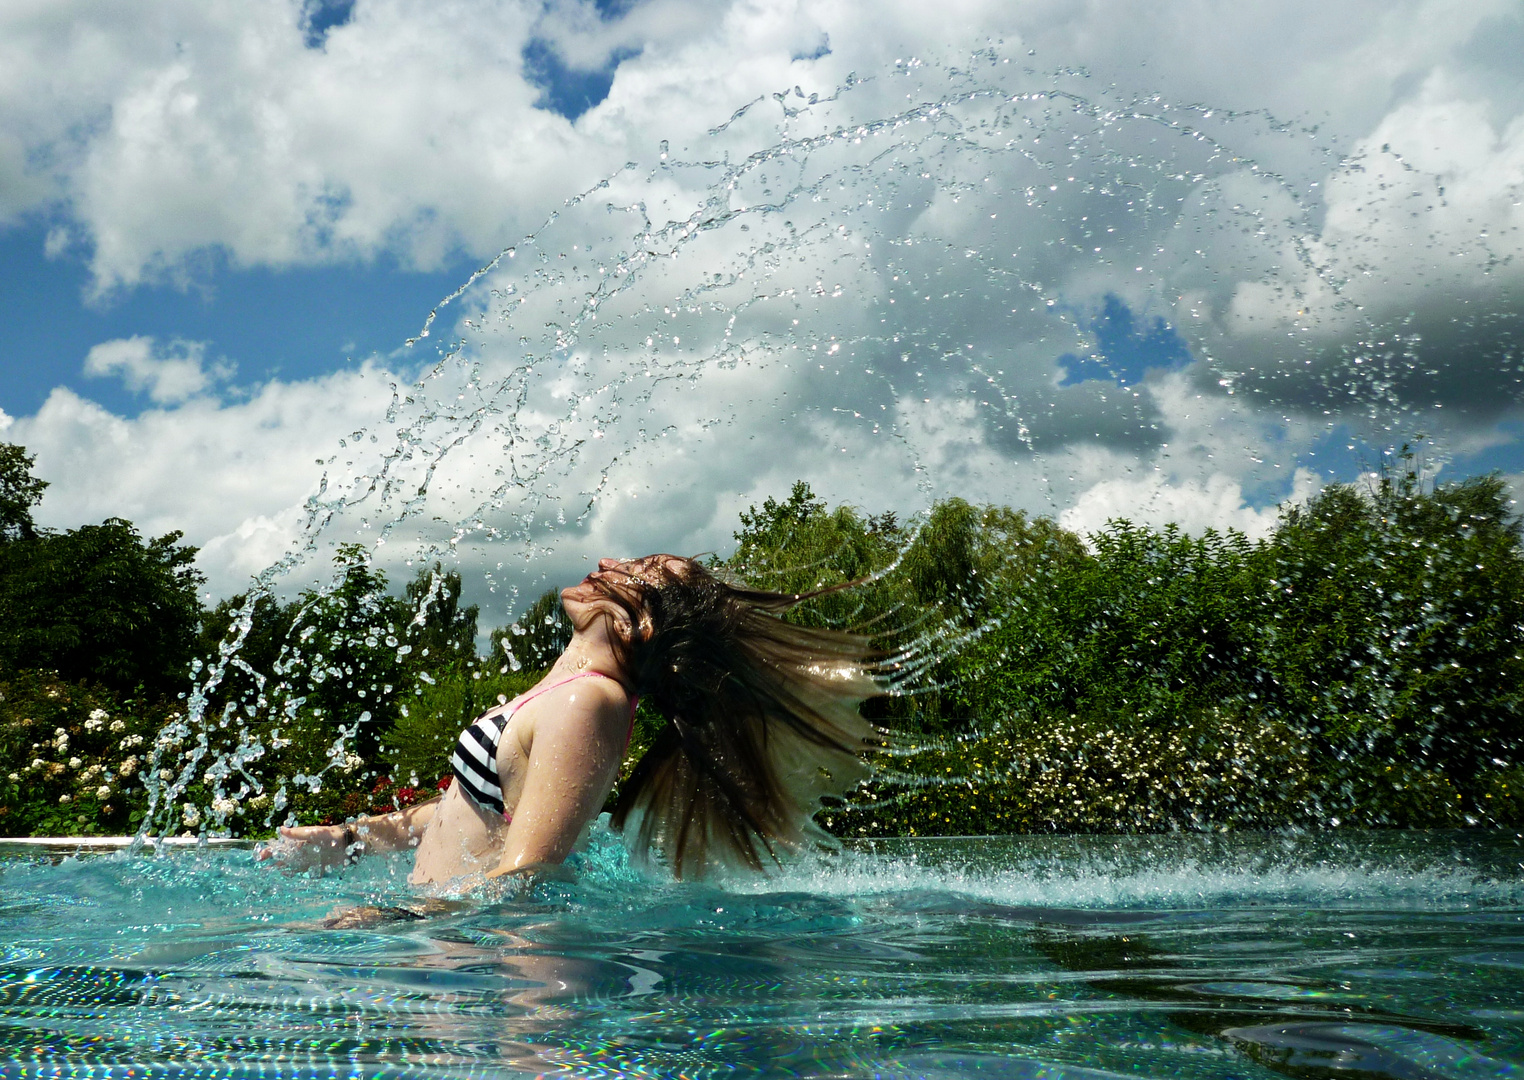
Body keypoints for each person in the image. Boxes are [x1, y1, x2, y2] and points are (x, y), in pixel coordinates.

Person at [260, 554, 881, 884]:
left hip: (492, 970)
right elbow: (469, 813)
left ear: (642, 624)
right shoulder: (564, 696)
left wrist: (396, 925)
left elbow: (528, 869)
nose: (609, 562)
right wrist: (349, 840)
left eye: (636, 572)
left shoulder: (593, 703)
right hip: (458, 949)